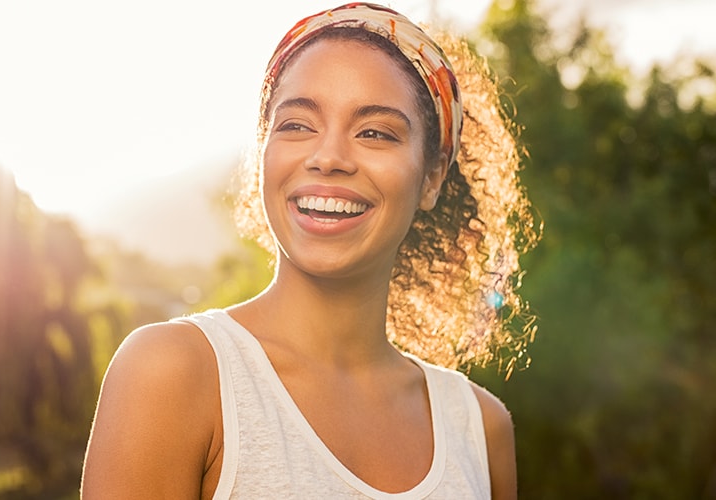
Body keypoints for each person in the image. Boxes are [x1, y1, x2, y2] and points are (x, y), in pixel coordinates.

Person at [81, 2, 538, 499]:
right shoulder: (173, 373)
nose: (328, 158)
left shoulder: (480, 429)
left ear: (432, 177)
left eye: (374, 133)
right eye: (297, 125)